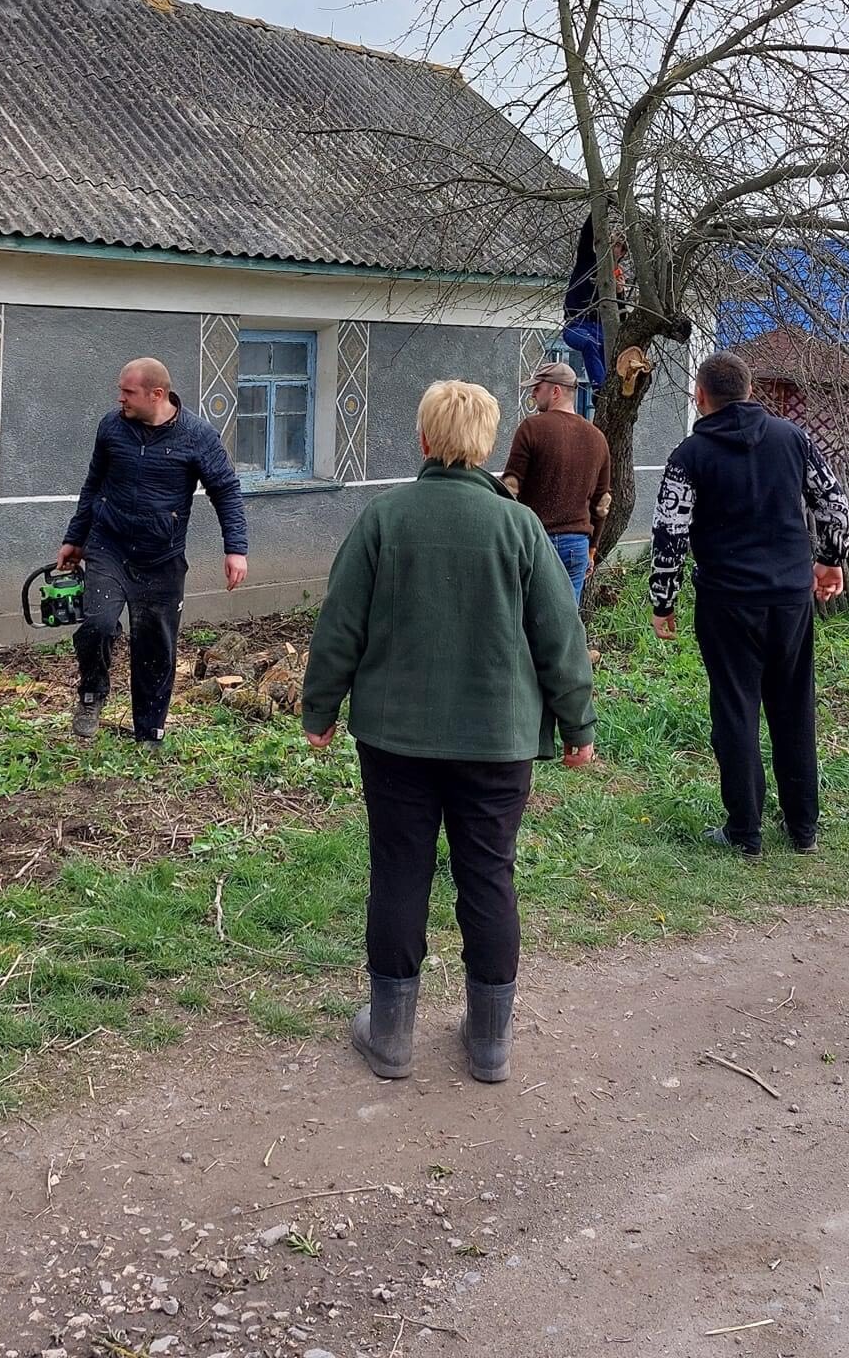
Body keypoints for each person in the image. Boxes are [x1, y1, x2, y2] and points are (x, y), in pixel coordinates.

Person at [302, 379, 597, 1085]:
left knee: (399, 871)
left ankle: (391, 1037)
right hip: (497, 740)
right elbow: (559, 636)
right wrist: (577, 724)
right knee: (488, 874)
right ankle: (490, 1043)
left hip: (395, 737)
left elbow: (340, 624)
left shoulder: (384, 518)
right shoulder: (520, 528)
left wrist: (321, 710)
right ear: (487, 444)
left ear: (425, 439)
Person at [648, 350, 849, 856]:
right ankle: (803, 828)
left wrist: (663, 599)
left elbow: (669, 532)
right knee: (794, 708)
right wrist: (829, 561)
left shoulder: (688, 456)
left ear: (700, 395)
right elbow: (834, 505)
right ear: (750, 390)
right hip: (789, 598)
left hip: (727, 601)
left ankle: (745, 830)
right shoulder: (793, 439)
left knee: (735, 710)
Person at [58, 356, 247, 745]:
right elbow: (93, 483)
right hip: (108, 546)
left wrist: (236, 549)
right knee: (97, 625)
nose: (120, 399)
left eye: (128, 392)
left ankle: (149, 733)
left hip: (162, 558)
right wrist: (75, 538)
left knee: (155, 647)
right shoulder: (112, 427)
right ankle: (92, 695)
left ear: (156, 394)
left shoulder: (198, 436)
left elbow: (226, 490)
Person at [502, 358, 613, 603]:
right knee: (566, 619)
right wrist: (592, 548)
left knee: (528, 617)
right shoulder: (597, 438)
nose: (533, 393)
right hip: (576, 546)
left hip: (534, 540)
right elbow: (602, 503)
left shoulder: (531, 428)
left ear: (555, 391)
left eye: (537, 387)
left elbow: (510, 488)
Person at [561, 214, 626, 391]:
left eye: (617, 245)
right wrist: (598, 209)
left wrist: (620, 293)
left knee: (612, 354)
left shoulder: (618, 278)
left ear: (622, 253)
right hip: (577, 324)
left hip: (601, 329)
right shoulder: (587, 261)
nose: (612, 247)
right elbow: (586, 235)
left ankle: (610, 394)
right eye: (610, 242)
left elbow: (621, 319)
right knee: (590, 343)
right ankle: (599, 388)